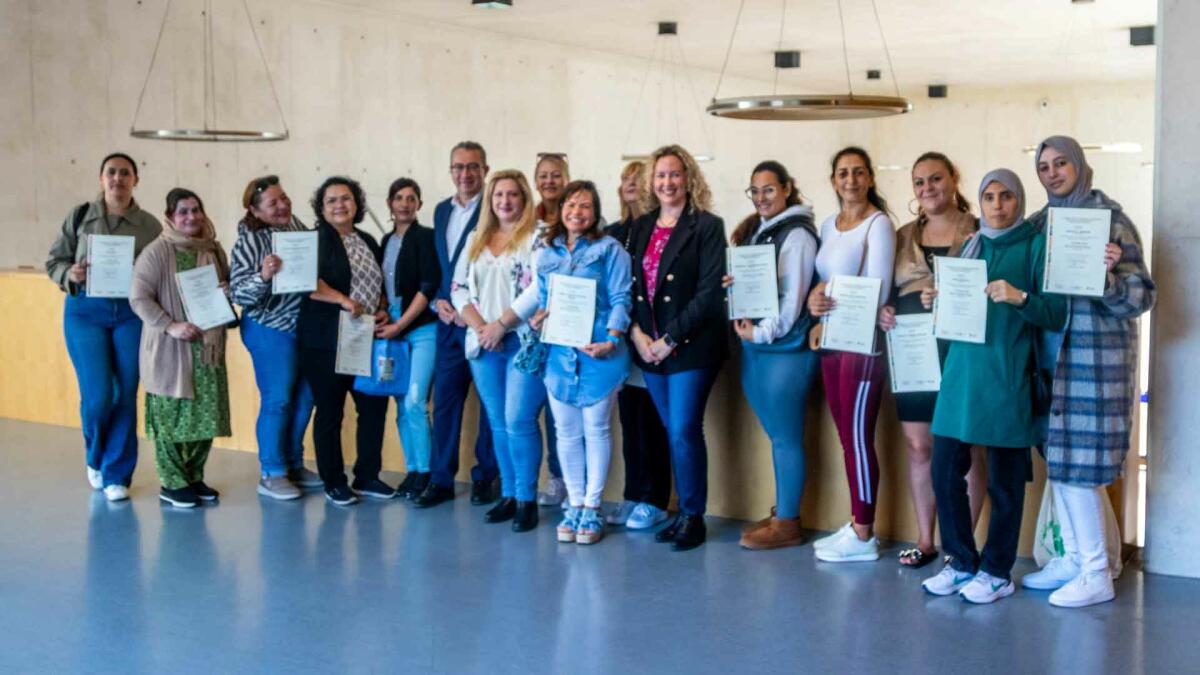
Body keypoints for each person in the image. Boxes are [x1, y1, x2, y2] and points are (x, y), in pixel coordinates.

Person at [1018, 135, 1156, 608]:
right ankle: (1074, 559)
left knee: (1081, 471)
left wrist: (1110, 277)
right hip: (1049, 363)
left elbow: (1141, 298)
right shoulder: (1038, 226)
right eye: (1044, 167)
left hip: (1095, 364)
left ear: (1079, 165)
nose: (1053, 173)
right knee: (1062, 466)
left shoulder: (1112, 223)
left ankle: (1096, 571)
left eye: (1061, 164)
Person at [920, 169, 1067, 604]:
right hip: (960, 378)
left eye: (1006, 196)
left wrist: (1020, 298)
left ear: (1019, 200)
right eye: (989, 197)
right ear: (979, 203)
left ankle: (998, 571)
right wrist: (936, 299)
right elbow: (954, 313)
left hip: (1007, 375)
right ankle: (962, 562)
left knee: (1005, 483)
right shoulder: (971, 244)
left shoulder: (1036, 246)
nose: (998, 205)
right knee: (944, 472)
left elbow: (1057, 313)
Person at [877, 152, 985, 567]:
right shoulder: (903, 235)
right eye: (919, 182)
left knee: (965, 446)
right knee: (919, 445)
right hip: (913, 351)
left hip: (963, 350)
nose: (928, 189)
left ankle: (961, 545)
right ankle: (924, 541)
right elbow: (885, 291)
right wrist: (885, 309)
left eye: (935, 179)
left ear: (954, 178)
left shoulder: (979, 230)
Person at [627, 144, 728, 551]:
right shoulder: (641, 226)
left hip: (689, 347)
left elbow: (707, 294)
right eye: (661, 175)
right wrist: (638, 336)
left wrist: (669, 341)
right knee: (672, 430)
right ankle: (683, 512)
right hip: (648, 347)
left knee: (685, 429)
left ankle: (693, 515)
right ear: (652, 182)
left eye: (675, 174)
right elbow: (630, 289)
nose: (667, 182)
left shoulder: (706, 226)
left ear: (689, 179)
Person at [46, 152, 162, 502]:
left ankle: (117, 474)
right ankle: (94, 455)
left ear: (135, 180)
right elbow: (54, 261)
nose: (118, 179)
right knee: (98, 396)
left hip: (131, 314)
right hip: (85, 312)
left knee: (125, 393)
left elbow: (161, 271)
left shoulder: (150, 226)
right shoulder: (80, 216)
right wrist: (72, 274)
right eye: (111, 172)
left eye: (125, 173)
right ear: (101, 178)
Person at [806, 146, 896, 562]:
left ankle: (864, 535)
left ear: (870, 178)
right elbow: (823, 280)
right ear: (833, 180)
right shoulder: (828, 225)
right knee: (846, 437)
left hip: (861, 348)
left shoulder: (879, 225)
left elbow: (875, 286)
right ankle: (856, 521)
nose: (851, 180)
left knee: (858, 439)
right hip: (831, 344)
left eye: (859, 172)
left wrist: (831, 299)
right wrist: (814, 299)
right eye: (843, 173)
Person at [726, 161, 821, 550]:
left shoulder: (797, 235)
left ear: (787, 189)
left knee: (785, 437)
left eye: (769, 189)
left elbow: (792, 300)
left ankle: (788, 523)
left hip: (783, 347)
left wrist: (762, 332)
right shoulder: (759, 231)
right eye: (755, 191)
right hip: (758, 346)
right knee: (777, 436)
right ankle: (781, 510)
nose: (762, 197)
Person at [533, 180, 632, 545]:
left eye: (585, 206)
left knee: (597, 429)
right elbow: (544, 300)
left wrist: (612, 338)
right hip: (559, 356)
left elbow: (622, 298)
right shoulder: (546, 253)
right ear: (561, 210)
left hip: (598, 354)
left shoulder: (611, 251)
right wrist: (538, 318)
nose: (577, 212)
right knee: (566, 432)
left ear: (595, 212)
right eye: (571, 205)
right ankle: (573, 504)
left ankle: (592, 507)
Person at [451, 170, 548, 531]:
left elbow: (539, 288)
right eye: (498, 196)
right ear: (490, 202)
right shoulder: (476, 238)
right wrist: (481, 327)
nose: (505, 202)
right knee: (497, 423)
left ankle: (527, 499)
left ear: (524, 199)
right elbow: (458, 287)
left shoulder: (537, 238)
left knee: (519, 421)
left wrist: (501, 324)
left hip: (522, 342)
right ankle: (508, 494)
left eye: (512, 195)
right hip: (484, 344)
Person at [129, 188, 232, 509]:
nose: (191, 217)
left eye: (196, 210)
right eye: (183, 212)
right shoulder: (156, 252)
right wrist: (171, 325)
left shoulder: (213, 249)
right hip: (170, 351)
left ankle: (193, 476)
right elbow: (138, 298)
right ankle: (172, 483)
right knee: (171, 418)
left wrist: (227, 290)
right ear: (171, 218)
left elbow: (225, 287)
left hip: (207, 350)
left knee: (207, 416)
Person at [296, 176, 392, 506]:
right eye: (332, 200)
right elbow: (303, 282)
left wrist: (381, 309)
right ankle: (333, 481)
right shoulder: (314, 239)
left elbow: (379, 281)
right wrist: (342, 299)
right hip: (325, 339)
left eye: (346, 198)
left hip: (365, 335)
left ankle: (367, 475)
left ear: (357, 203)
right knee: (330, 411)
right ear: (321, 208)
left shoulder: (367, 238)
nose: (340, 205)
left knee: (373, 405)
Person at [415, 141, 498, 508]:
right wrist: (438, 302)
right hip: (448, 326)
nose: (465, 174)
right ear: (451, 171)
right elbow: (440, 266)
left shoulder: (495, 209)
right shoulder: (439, 211)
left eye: (473, 167)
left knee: (491, 407)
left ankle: (486, 478)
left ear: (485, 171)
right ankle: (440, 480)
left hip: (485, 323)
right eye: (458, 167)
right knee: (445, 403)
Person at [229, 175, 321, 501]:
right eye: (273, 203)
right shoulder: (248, 242)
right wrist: (264, 276)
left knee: (306, 397)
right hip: (269, 328)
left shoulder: (297, 229)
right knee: (278, 399)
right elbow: (239, 292)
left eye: (284, 198)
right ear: (255, 209)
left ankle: (294, 463)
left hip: (304, 328)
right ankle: (272, 472)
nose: (282, 205)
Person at [604, 161, 671, 530]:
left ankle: (656, 499)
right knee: (630, 421)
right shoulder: (612, 232)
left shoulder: (658, 230)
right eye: (625, 178)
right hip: (620, 338)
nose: (630, 184)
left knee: (654, 422)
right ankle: (632, 495)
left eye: (637, 179)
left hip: (651, 338)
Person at [377, 178, 440, 500]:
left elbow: (428, 286)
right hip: (395, 330)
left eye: (411, 198)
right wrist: (388, 316)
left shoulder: (426, 237)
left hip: (422, 328)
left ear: (419, 204)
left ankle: (427, 471)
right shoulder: (385, 240)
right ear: (390, 203)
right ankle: (412, 469)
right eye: (398, 197)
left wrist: (400, 324)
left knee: (416, 399)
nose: (404, 203)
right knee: (401, 402)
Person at [531, 153, 567, 507]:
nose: (550, 181)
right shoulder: (528, 220)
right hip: (533, 327)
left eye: (556, 175)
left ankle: (572, 480)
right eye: (543, 175)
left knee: (565, 410)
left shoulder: (581, 215)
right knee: (539, 408)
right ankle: (555, 478)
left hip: (570, 329)